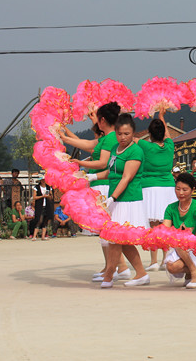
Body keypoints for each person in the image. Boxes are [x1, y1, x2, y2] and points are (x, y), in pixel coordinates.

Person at [67, 102, 129, 280]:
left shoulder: (110, 138)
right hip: (99, 183)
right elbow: (87, 144)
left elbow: (102, 163)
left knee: (106, 229)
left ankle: (118, 267)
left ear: (102, 120)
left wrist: (80, 163)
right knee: (103, 231)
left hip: (103, 184)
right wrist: (62, 135)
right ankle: (113, 266)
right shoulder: (107, 137)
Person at [88, 113, 150, 287]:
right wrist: (91, 178)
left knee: (117, 238)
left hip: (128, 199)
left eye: (127, 134)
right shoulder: (115, 147)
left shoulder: (136, 151)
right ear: (115, 132)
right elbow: (110, 172)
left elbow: (126, 177)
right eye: (120, 133)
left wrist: (112, 198)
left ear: (133, 133)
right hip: (115, 198)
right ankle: (140, 273)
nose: (123, 137)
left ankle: (110, 273)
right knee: (118, 239)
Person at [137, 110, 177, 271]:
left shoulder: (145, 145)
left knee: (152, 226)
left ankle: (153, 261)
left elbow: (129, 138)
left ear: (149, 133)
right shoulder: (169, 145)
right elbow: (167, 133)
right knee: (165, 224)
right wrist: (161, 115)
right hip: (168, 188)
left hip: (149, 188)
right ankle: (165, 258)